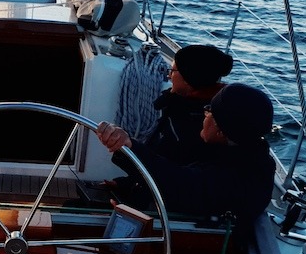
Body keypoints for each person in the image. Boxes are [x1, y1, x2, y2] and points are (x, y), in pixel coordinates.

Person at [97, 82, 275, 227]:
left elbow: (181, 184)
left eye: (209, 110)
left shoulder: (237, 178)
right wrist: (126, 185)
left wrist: (129, 146)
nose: (204, 115)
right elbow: (182, 174)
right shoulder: (243, 156)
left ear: (221, 129)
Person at [144, 44, 234, 165]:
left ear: (187, 78)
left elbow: (165, 165)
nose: (169, 76)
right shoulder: (222, 108)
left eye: (173, 71)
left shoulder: (183, 119)